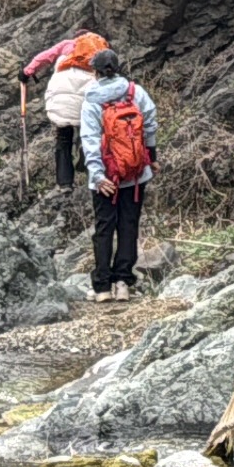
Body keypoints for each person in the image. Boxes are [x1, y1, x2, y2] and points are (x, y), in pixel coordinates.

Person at [80, 47, 156, 301]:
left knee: (104, 228)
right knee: (128, 225)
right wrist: (151, 157)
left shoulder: (92, 100)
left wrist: (97, 175)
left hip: (106, 176)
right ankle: (123, 283)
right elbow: (150, 123)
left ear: (96, 72)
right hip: (135, 174)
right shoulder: (135, 92)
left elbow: (90, 140)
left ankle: (102, 288)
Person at [25, 32, 109, 221]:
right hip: (87, 92)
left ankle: (65, 184)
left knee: (63, 138)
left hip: (61, 91)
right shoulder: (100, 49)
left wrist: (26, 72)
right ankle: (85, 155)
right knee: (88, 133)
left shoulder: (67, 44)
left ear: (78, 37)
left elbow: (44, 57)